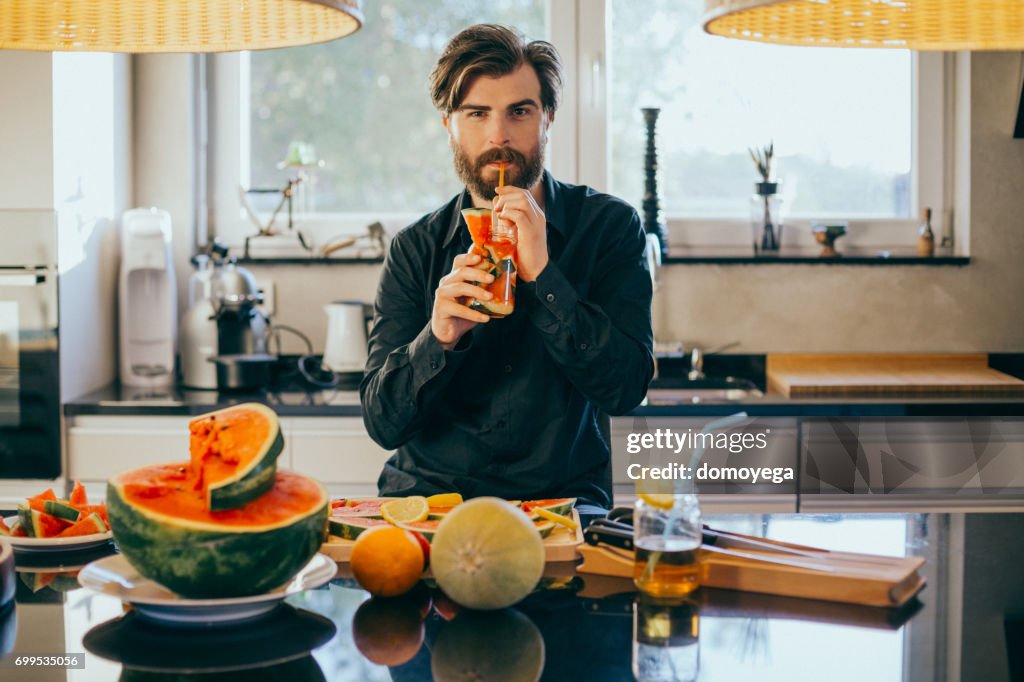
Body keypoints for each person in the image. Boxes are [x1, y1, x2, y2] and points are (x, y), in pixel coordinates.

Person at [360, 23, 654, 514]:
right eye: (477, 114)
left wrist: (544, 275)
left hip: (563, 507)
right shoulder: (414, 248)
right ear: (448, 125)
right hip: (431, 506)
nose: (499, 136)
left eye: (520, 111)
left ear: (548, 119)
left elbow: (625, 391)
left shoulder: (610, 227)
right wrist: (438, 337)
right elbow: (382, 424)